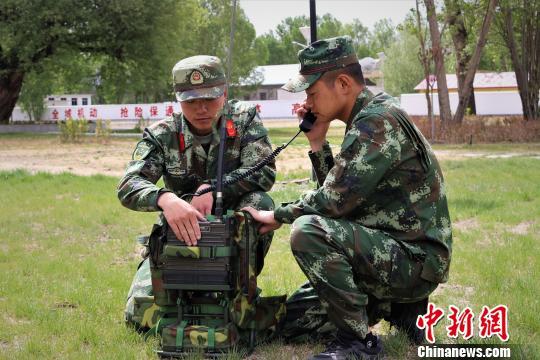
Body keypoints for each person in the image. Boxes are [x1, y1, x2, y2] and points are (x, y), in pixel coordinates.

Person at [244, 36, 452, 360]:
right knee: (292, 320)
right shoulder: (370, 114)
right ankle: (399, 309)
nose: (308, 103)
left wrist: (278, 216)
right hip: (396, 251)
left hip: (413, 261)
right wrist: (317, 141)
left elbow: (331, 203)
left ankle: (358, 342)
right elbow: (340, 195)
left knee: (307, 231)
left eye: (312, 93)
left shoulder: (376, 123)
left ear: (342, 83)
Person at [117, 55, 276, 327]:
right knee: (140, 317)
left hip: (231, 230)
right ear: (178, 99)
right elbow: (128, 184)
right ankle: (194, 294)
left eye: (210, 98)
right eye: (191, 100)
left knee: (259, 202)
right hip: (182, 232)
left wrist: (214, 188)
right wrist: (165, 199)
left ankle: (238, 288)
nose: (201, 108)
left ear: (224, 94)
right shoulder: (163, 133)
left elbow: (264, 171)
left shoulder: (244, 119)